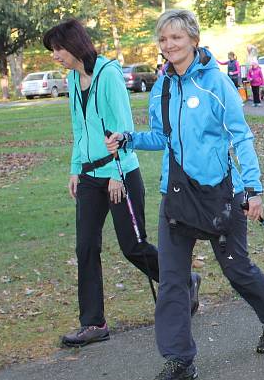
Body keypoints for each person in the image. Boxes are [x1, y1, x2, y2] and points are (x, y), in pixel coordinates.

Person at [105, 9, 264, 380]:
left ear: (193, 38)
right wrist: (129, 138)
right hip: (176, 194)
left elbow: (240, 135)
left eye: (176, 37)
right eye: (163, 39)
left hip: (220, 193)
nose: (169, 45)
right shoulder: (162, 86)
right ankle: (179, 359)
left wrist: (253, 188)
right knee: (173, 279)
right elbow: (162, 138)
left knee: (236, 269)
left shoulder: (215, 82)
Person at [42, 19, 190, 349]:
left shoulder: (108, 74)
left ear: (74, 45)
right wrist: (74, 168)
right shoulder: (71, 78)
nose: (55, 56)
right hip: (89, 178)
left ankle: (183, 281)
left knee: (132, 247)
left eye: (57, 49)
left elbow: (123, 127)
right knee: (86, 248)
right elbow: (79, 129)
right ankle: (93, 323)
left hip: (119, 174)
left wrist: (115, 172)